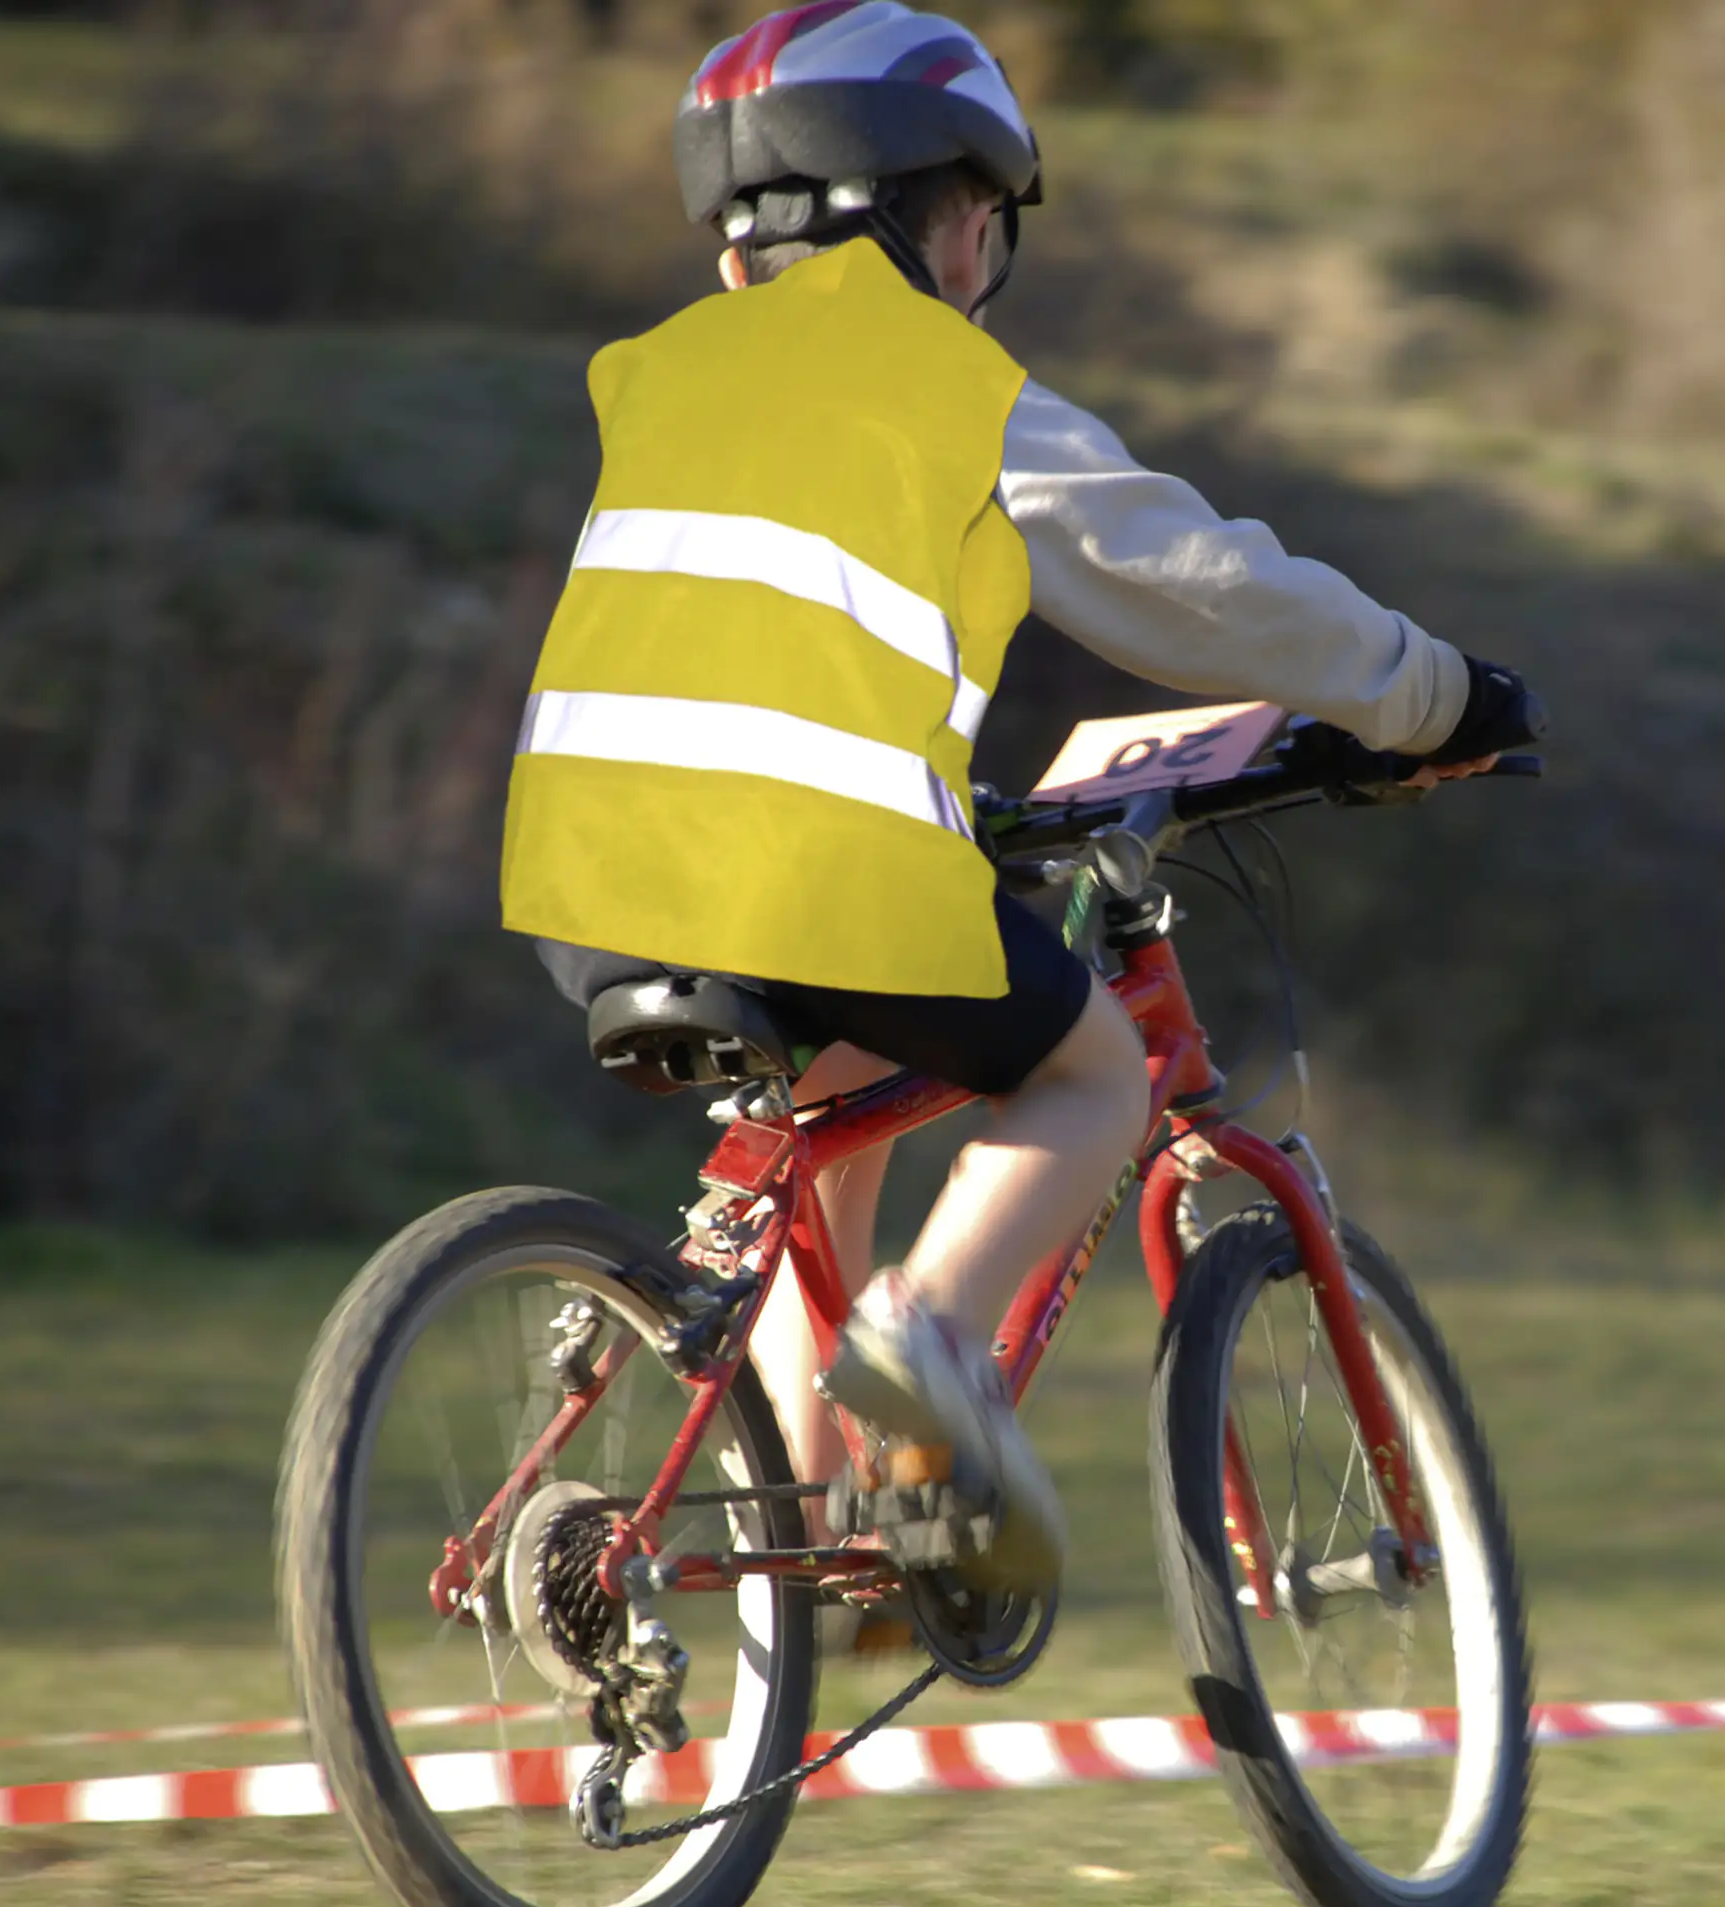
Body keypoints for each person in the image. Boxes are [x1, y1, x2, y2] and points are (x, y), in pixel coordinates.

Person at [499, 2, 1545, 1595]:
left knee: (827, 1116)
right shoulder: (948, 382)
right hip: (820, 870)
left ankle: (839, 1531)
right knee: (1094, 1074)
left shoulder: (653, 381)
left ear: (734, 250)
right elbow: (1204, 590)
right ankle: (928, 1346)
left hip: (584, 881)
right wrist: (1434, 696)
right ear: (959, 219)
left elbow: (749, 654)